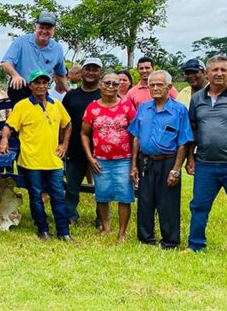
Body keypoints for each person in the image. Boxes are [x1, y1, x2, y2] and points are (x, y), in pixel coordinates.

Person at [0, 69, 73, 242]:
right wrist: (4, 140)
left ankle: (63, 231)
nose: (41, 86)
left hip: (54, 161)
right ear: (30, 86)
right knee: (36, 198)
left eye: (44, 82)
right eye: (37, 83)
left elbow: (68, 124)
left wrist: (64, 144)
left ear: (48, 85)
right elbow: (9, 126)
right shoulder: (22, 106)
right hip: (31, 161)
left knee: (58, 197)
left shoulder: (56, 104)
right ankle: (42, 229)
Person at [128, 70, 193, 249]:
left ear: (169, 87)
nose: (155, 88)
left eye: (160, 85)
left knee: (168, 203)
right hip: (146, 161)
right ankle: (145, 238)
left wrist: (176, 169)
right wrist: (133, 164)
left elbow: (183, 142)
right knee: (145, 200)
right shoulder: (143, 108)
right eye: (152, 85)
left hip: (168, 161)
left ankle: (170, 241)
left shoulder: (179, 110)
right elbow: (136, 137)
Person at [81, 72, 137, 241]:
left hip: (124, 159)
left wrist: (134, 163)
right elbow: (84, 134)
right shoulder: (92, 108)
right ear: (100, 85)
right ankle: (106, 227)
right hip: (100, 160)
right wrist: (90, 158)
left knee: (125, 195)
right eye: (107, 83)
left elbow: (135, 135)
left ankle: (122, 233)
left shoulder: (127, 106)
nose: (111, 87)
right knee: (102, 194)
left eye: (115, 83)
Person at [186, 55, 227, 252]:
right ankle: (195, 245)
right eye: (215, 70)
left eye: (223, 70)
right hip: (205, 164)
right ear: (207, 73)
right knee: (199, 207)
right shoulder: (197, 99)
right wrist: (190, 158)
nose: (219, 73)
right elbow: (192, 130)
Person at [62, 58, 102, 224]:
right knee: (72, 186)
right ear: (82, 72)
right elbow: (64, 123)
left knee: (101, 187)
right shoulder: (71, 96)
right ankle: (70, 215)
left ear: (100, 73)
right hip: (75, 148)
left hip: (101, 150)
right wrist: (62, 144)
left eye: (95, 69)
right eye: (88, 69)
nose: (91, 73)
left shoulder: (105, 94)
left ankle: (101, 217)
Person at [1, 12, 68, 105]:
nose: (44, 31)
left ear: (53, 30)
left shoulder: (57, 49)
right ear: (35, 27)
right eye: (41, 27)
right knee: (22, 111)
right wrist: (15, 75)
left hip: (42, 88)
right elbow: (6, 63)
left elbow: (60, 74)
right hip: (22, 86)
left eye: (48, 28)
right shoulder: (21, 41)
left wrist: (69, 90)